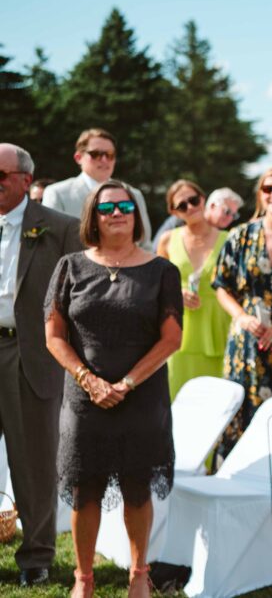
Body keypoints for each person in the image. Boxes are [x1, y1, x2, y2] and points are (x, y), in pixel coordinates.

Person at [43, 180, 182, 598]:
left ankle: (139, 575)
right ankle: (83, 578)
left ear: (136, 215)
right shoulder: (69, 266)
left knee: (138, 488)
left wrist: (125, 383)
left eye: (125, 205)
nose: (117, 212)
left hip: (141, 397)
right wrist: (89, 381)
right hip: (84, 401)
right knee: (85, 490)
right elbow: (53, 336)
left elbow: (171, 339)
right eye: (107, 208)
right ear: (94, 217)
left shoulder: (162, 271)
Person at [0, 144, 80, 587]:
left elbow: (79, 295)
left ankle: (36, 556)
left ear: (26, 181)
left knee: (32, 460)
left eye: (2, 176)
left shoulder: (59, 228)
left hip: (28, 353)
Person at [213, 167, 272, 461]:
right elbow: (221, 285)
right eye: (268, 189)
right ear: (260, 195)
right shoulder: (240, 236)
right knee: (241, 416)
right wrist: (240, 316)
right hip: (247, 344)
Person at [156, 180, 231, 400]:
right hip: (179, 329)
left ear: (203, 199)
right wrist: (176, 294)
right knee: (176, 398)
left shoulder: (228, 239)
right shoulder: (168, 239)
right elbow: (155, 283)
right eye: (182, 205)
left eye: (194, 200)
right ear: (174, 211)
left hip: (218, 326)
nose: (190, 207)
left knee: (218, 401)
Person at [41, 128, 153, 250]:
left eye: (110, 155)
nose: (104, 160)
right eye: (96, 154)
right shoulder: (57, 193)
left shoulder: (134, 194)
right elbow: (49, 245)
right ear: (78, 157)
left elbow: (144, 244)